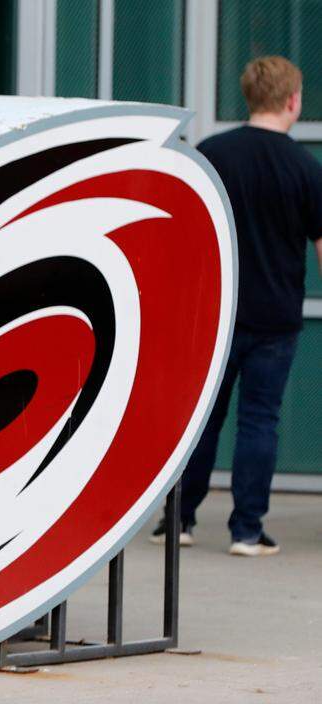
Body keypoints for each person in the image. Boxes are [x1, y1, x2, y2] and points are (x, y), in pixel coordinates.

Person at [151, 56, 322, 557]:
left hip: (217, 314)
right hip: (277, 318)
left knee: (204, 417)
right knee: (259, 419)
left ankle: (179, 520)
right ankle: (247, 530)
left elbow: (181, 232)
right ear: (292, 101)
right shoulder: (306, 169)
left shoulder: (212, 155)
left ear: (249, 96)